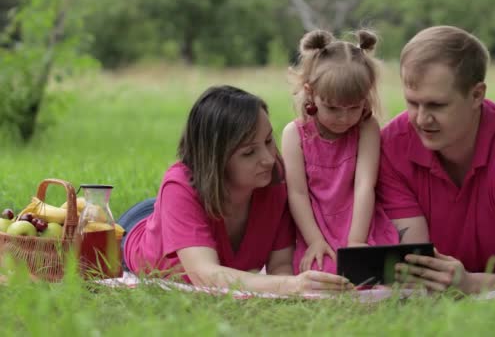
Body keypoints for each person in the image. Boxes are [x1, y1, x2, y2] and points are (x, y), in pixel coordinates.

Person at [120, 85, 352, 294]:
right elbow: (205, 274)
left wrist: (298, 287)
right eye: (249, 152)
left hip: (177, 212)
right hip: (136, 228)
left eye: (269, 141)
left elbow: (280, 265)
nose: (268, 159)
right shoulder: (180, 185)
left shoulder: (273, 179)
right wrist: (292, 285)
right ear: (216, 159)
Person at [377, 26, 495, 294]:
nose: (422, 119)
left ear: (476, 95)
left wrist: (470, 284)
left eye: (437, 105)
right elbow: (414, 266)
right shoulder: (391, 147)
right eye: (413, 103)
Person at [282, 29, 399, 275]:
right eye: (333, 108)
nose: (344, 118)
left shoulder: (366, 127)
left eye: (354, 107)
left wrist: (356, 241)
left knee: (374, 270)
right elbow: (298, 193)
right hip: (315, 226)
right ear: (311, 91)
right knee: (323, 271)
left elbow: (364, 185)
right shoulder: (295, 135)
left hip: (359, 220)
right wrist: (314, 240)